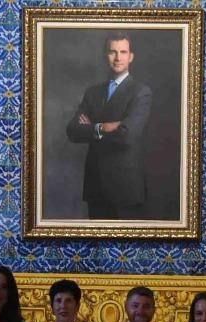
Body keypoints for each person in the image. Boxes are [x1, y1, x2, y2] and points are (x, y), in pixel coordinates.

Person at [65, 31, 152, 219]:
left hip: (124, 187)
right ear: (106, 55)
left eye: (123, 52)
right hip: (96, 186)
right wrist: (103, 127)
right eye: (113, 52)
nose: (118, 57)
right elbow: (73, 131)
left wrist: (91, 129)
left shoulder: (141, 92)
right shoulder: (93, 92)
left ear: (131, 57)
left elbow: (126, 136)